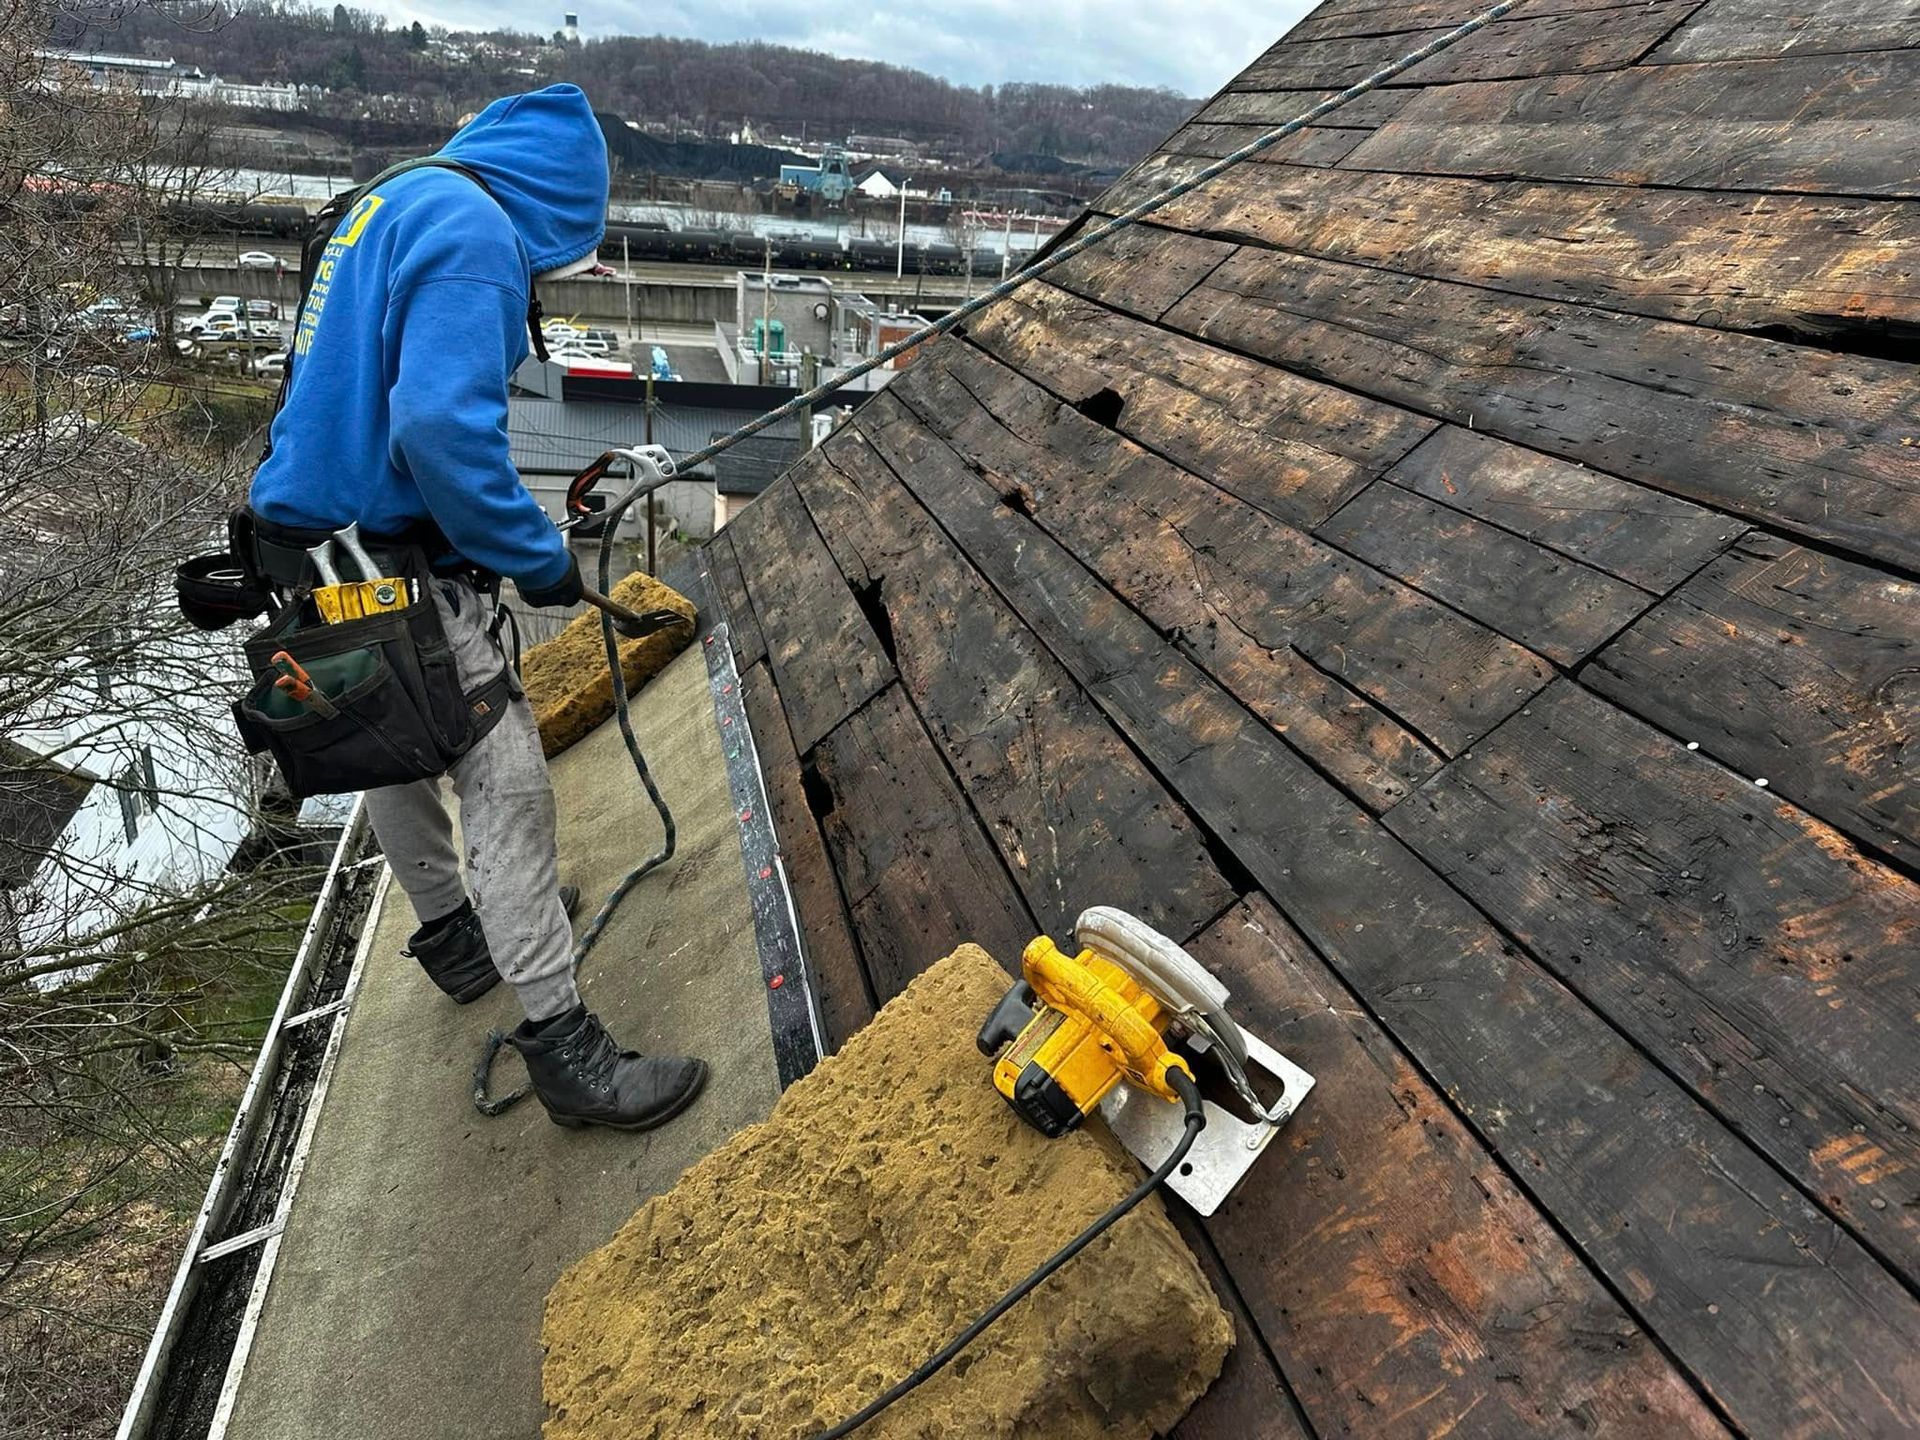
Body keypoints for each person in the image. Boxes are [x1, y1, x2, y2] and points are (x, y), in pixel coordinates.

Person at [247, 85, 707, 1132]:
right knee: (501, 777)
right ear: (554, 204)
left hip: (305, 546)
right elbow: (439, 433)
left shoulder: (394, 200)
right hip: (394, 559)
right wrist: (535, 556)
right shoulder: (476, 239)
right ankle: (567, 1053)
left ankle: (458, 939)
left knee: (380, 737)